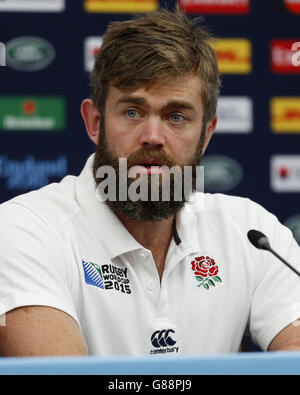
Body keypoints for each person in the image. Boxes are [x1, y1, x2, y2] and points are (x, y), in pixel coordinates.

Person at [1, 5, 300, 357]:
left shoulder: (252, 232)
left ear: (206, 133)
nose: (153, 136)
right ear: (95, 122)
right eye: (133, 112)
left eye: (176, 116)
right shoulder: (21, 229)